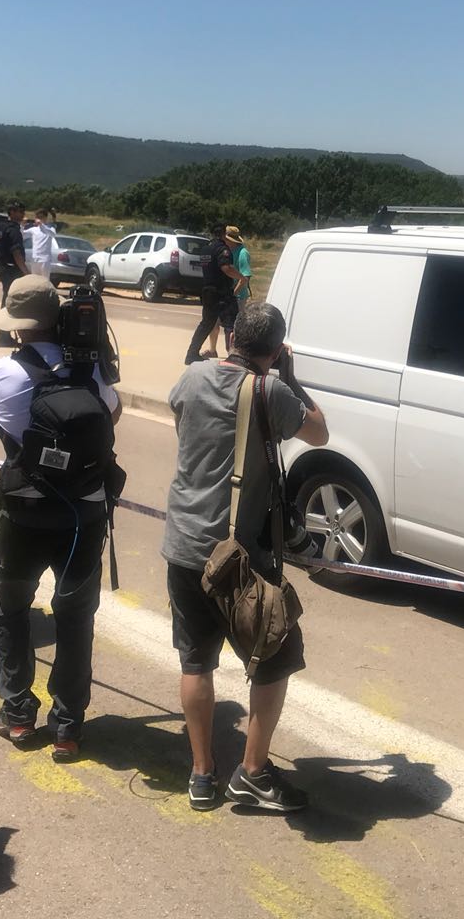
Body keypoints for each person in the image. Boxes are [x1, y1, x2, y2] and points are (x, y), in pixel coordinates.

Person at [163, 301, 329, 812]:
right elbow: (319, 432)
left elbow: (182, 421)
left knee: (196, 661)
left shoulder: (192, 378)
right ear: (275, 350)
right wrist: (292, 377)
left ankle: (201, 773)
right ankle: (253, 772)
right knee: (276, 656)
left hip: (184, 545)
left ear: (232, 335)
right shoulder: (270, 390)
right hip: (237, 555)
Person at [0, 274, 121, 759]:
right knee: (76, 618)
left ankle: (18, 715)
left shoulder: (0, 373)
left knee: (12, 610)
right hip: (83, 515)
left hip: (22, 513)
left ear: (17, 325)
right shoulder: (93, 375)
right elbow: (112, 418)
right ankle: (67, 726)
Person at [185, 224, 240, 364]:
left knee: (206, 324)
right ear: (223, 234)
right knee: (232, 324)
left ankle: (191, 354)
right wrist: (241, 277)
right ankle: (233, 357)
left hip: (207, 291)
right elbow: (226, 268)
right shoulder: (222, 249)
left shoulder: (205, 249)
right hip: (222, 293)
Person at [0, 200, 29, 348]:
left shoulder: (1, 226)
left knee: (6, 301)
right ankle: (4, 336)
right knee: (11, 303)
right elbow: (16, 253)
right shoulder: (13, 230)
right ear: (12, 212)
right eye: (19, 211)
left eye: (23, 211)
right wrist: (26, 272)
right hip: (11, 269)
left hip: (3, 266)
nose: (22, 214)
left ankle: (4, 335)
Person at [226, 224, 252, 307]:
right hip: (229, 296)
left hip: (238, 298)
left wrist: (233, 294)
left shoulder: (242, 253)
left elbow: (245, 278)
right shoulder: (229, 251)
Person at [26, 208, 55, 280]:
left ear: (45, 218)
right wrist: (22, 225)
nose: (39, 219)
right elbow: (22, 234)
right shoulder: (33, 229)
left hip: (45, 259)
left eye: (41, 217)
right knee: (34, 279)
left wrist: (42, 225)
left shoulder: (50, 228)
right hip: (35, 258)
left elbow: (52, 234)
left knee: (45, 280)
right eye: (37, 217)